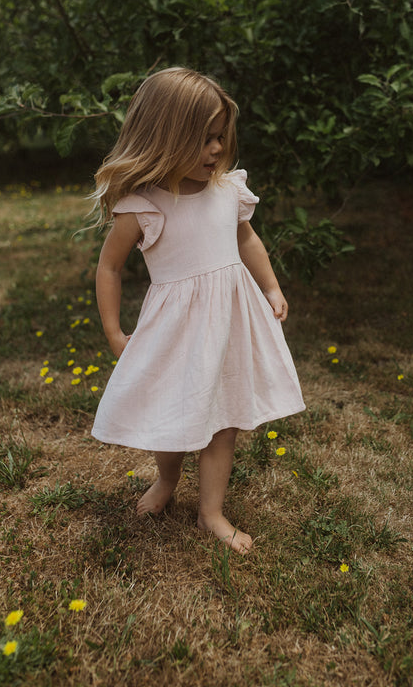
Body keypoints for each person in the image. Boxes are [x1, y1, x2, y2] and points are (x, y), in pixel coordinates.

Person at [90, 67, 305, 554]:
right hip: (175, 330)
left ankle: (211, 510)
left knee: (223, 416)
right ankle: (166, 480)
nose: (215, 150)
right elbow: (109, 268)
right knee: (173, 414)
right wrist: (113, 331)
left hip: (228, 323)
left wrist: (271, 288)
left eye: (220, 138)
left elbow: (247, 239)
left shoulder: (227, 191)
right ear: (164, 138)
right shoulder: (143, 205)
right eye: (204, 139)